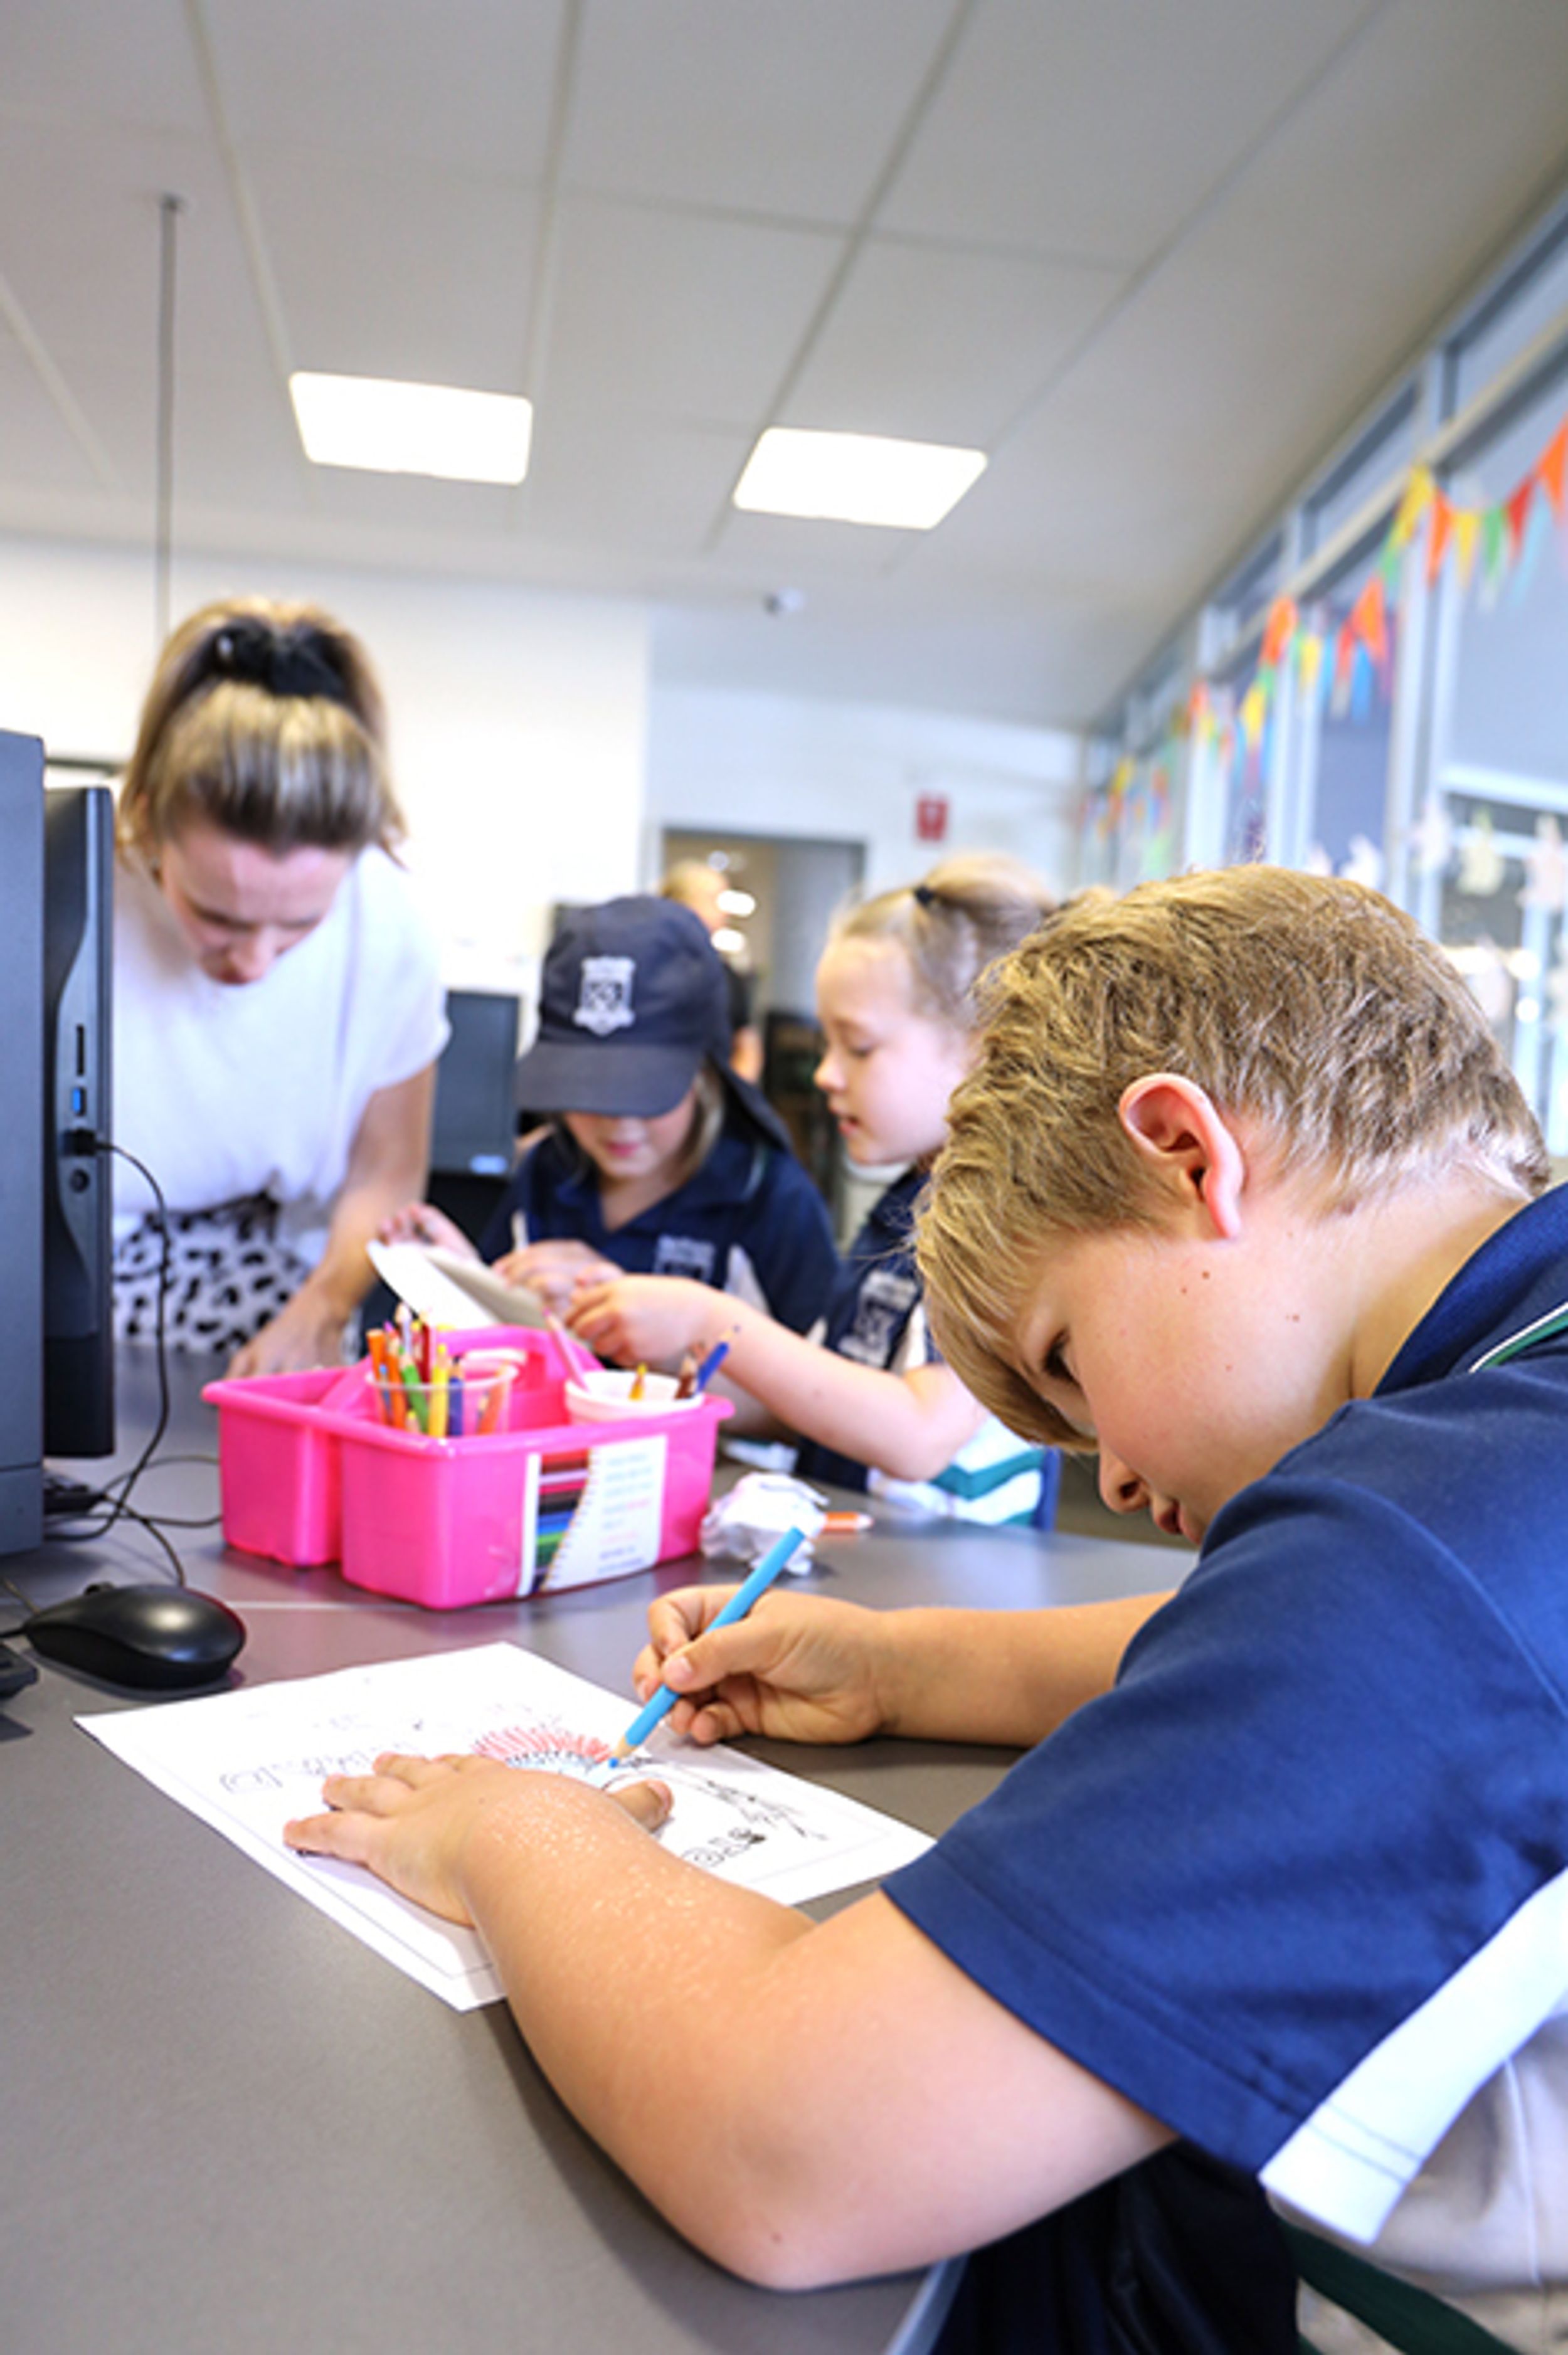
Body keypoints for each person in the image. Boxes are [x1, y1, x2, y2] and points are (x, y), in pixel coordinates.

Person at [286, 865, 1568, 2351]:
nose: (1116, 1471)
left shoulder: (1429, 1537)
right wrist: (902, 1664)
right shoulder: (1508, 1413)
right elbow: (1305, 1660)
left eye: (1068, 1360)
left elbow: (789, 2146)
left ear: (1183, 1153)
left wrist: (509, 1827)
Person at [569, 855, 1059, 1524]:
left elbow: (918, 1434)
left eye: (859, 1047)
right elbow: (816, 1407)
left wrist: (709, 1318)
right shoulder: (902, 1207)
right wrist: (647, 1360)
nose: (826, 1073)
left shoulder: (1002, 1221)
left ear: (982, 1048)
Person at [112, 596, 447, 1377]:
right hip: (74, 1253)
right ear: (149, 824)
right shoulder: (63, 889)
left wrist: (323, 1308)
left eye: (299, 924)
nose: (254, 962)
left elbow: (385, 1170)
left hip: (290, 1266)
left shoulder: (390, 924)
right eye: (217, 916)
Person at [382, 894, 838, 1336]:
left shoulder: (771, 1199)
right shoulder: (549, 1171)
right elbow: (514, 1338)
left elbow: (824, 1376)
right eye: (588, 1091)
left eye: (647, 1094)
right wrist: (469, 1278)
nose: (618, 1122)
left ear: (705, 1074)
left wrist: (633, 1322)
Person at [660, 857, 765, 1084]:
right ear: (682, 904)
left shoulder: (726, 976)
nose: (724, 913)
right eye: (714, 900)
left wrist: (735, 1093)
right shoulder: (650, 970)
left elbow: (747, 1045)